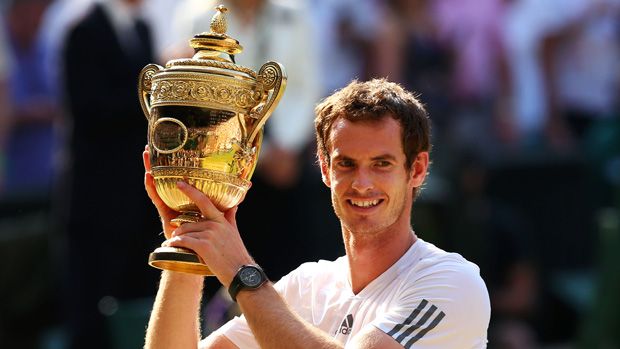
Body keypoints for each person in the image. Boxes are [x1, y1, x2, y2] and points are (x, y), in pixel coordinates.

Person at [143, 79, 491, 348]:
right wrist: (187, 242)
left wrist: (241, 272)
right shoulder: (306, 286)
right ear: (325, 169)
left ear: (416, 170)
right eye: (346, 164)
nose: (362, 183)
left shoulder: (453, 282)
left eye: (381, 164)